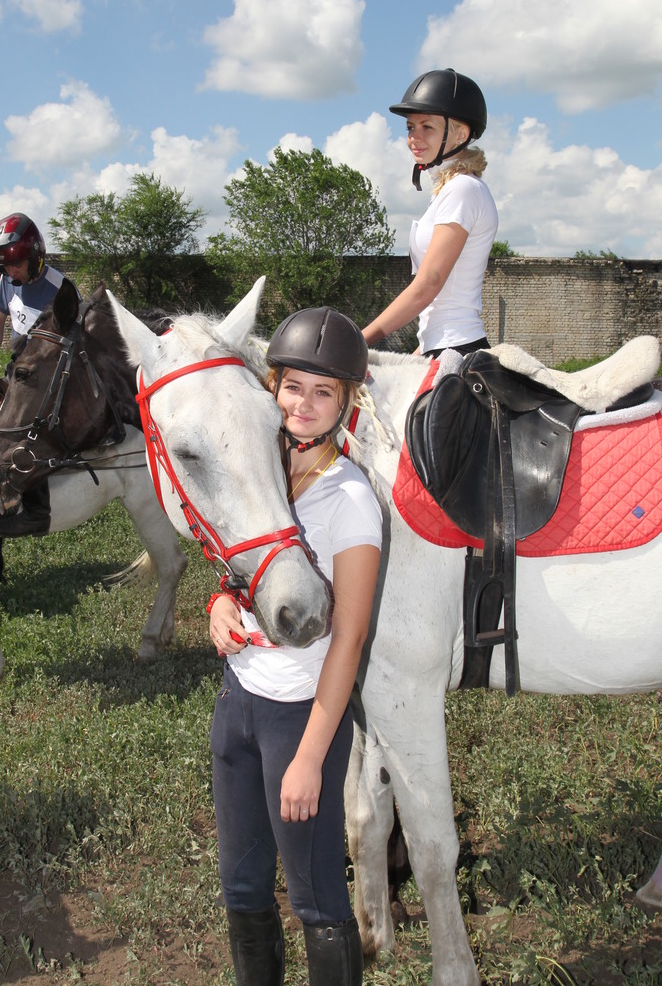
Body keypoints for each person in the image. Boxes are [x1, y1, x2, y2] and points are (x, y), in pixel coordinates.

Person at [207, 307, 382, 986]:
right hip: (237, 705)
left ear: (345, 402)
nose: (303, 405)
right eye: (292, 387)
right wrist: (220, 600)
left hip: (297, 718)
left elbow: (350, 636)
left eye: (323, 392)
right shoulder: (262, 474)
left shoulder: (349, 501)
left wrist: (310, 757)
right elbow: (236, 566)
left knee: (314, 896)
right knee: (242, 886)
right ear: (271, 386)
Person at [362, 68, 498, 358]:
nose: (414, 137)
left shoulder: (462, 189)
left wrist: (359, 341)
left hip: (457, 347)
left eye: (427, 127)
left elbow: (429, 284)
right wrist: (419, 351)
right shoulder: (448, 191)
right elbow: (438, 306)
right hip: (437, 347)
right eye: (410, 128)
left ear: (461, 133)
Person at [0, 212, 73, 538]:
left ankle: (37, 511)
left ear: (35, 257)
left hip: (50, 380)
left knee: (27, 429)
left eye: (16, 264)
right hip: (20, 373)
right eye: (5, 266)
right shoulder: (8, 282)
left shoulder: (59, 289)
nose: (10, 271)